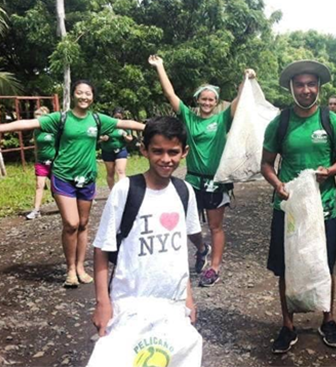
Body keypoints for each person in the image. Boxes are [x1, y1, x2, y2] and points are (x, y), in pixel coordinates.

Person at [0, 80, 144, 287]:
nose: (84, 97)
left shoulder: (98, 119)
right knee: (71, 223)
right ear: (74, 94)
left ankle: (80, 267)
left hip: (88, 177)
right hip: (63, 176)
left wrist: (157, 129)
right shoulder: (61, 118)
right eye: (80, 93)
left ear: (93, 96)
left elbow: (127, 124)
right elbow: (27, 124)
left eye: (88, 94)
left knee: (83, 224)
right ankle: (70, 269)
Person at [88, 116, 202, 366]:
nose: (165, 159)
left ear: (184, 152)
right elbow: (102, 249)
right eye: (157, 151)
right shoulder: (126, 190)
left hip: (172, 303)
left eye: (173, 152)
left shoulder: (184, 192)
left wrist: (188, 298)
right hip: (129, 302)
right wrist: (102, 303)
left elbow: (180, 250)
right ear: (143, 150)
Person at [261, 60, 336, 354]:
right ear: (291, 87)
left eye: (311, 84)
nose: (306, 90)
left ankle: (328, 320)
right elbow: (266, 164)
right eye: (300, 84)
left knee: (324, 264)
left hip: (323, 207)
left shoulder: (331, 121)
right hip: (288, 207)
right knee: (286, 266)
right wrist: (278, 185)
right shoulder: (280, 122)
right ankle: (288, 326)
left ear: (319, 88)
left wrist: (330, 171)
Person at [148, 54, 254, 287]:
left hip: (216, 181)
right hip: (193, 181)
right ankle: (201, 248)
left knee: (215, 226)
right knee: (188, 224)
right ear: (198, 100)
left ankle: (214, 267)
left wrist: (246, 79)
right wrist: (160, 66)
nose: (207, 103)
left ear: (216, 102)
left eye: (211, 99)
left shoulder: (223, 118)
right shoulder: (189, 118)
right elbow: (170, 95)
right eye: (203, 99)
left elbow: (240, 98)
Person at [26, 106, 55, 220]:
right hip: (41, 162)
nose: (36, 121)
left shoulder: (53, 129)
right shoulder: (36, 131)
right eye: (35, 118)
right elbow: (36, 147)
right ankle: (36, 210)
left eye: (39, 118)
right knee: (39, 185)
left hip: (55, 162)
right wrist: (36, 158)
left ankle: (69, 205)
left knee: (57, 187)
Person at [99, 107, 133, 190]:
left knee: (121, 171)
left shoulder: (125, 125)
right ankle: (112, 193)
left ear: (122, 116)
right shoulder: (107, 125)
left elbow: (130, 139)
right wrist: (103, 138)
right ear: (112, 116)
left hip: (120, 150)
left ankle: (122, 192)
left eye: (119, 117)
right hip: (107, 150)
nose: (117, 119)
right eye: (116, 117)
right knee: (110, 173)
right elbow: (97, 138)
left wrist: (125, 136)